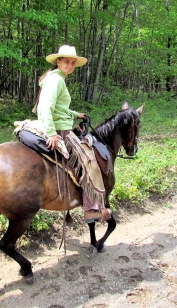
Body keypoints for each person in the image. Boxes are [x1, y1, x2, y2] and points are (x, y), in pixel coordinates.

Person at [36, 45, 111, 223]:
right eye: (66, 62)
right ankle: (93, 210)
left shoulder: (56, 78)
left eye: (72, 63)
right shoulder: (56, 80)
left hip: (60, 124)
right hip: (60, 130)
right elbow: (45, 106)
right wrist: (52, 133)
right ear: (58, 62)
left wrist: (75, 115)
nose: (70, 65)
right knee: (90, 161)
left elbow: (59, 108)